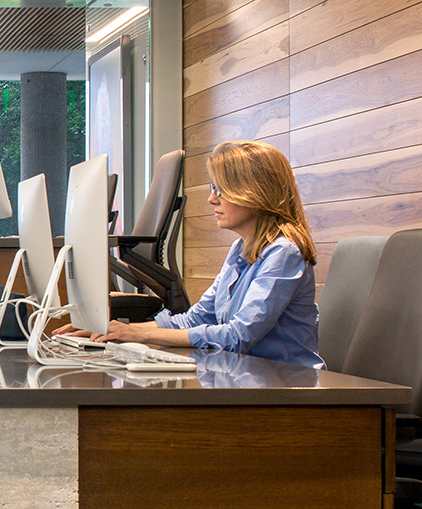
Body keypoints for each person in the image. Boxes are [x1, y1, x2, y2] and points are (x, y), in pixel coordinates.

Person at [81, 140, 324, 368]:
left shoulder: (284, 253)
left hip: (285, 383)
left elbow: (239, 336)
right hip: (247, 375)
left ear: (255, 192)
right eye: (213, 188)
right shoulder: (240, 249)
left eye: (221, 189)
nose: (211, 199)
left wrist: (140, 333)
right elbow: (195, 319)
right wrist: (116, 332)